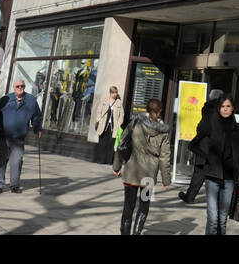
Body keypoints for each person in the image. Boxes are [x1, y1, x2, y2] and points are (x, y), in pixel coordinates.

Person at [112, 98, 172, 235]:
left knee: (128, 207)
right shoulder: (163, 132)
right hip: (149, 176)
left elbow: (122, 144)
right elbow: (164, 156)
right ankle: (137, 232)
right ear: (160, 111)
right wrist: (166, 179)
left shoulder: (135, 123)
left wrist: (117, 166)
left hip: (132, 171)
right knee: (144, 206)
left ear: (146, 109)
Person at [188, 93, 239, 235]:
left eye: (228, 106)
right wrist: (207, 158)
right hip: (212, 177)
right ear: (218, 108)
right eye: (222, 106)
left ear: (233, 109)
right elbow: (192, 145)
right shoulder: (210, 124)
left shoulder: (238, 129)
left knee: (223, 219)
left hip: (230, 178)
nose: (225, 109)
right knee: (213, 218)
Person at [0, 78, 42, 193]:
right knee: (1, 161)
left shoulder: (31, 100)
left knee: (17, 161)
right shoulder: (5, 99)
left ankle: (14, 185)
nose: (20, 88)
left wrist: (37, 128)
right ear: (13, 87)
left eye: (22, 86)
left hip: (18, 138)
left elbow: (37, 116)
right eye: (18, 86)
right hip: (2, 136)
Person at [178, 88, 222, 203]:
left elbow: (202, 128)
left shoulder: (207, 111)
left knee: (198, 174)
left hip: (204, 147)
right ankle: (221, 200)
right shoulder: (222, 112)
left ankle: (190, 197)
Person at [92, 85, 123, 164]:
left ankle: (109, 161)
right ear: (110, 93)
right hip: (103, 125)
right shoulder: (104, 100)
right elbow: (99, 110)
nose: (114, 94)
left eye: (116, 93)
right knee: (102, 143)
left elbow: (122, 115)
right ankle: (101, 160)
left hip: (113, 126)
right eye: (113, 93)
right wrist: (99, 119)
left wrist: (119, 123)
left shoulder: (119, 102)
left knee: (111, 143)